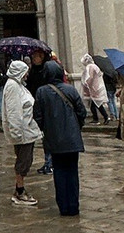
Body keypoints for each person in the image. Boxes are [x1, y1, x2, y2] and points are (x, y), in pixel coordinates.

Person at [32, 60, 86, 216]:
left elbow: (38, 116)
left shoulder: (41, 92)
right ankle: (73, 206)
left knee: (59, 172)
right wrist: (75, 127)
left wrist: (47, 129)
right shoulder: (71, 89)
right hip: (72, 139)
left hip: (54, 139)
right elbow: (81, 112)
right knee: (72, 171)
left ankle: (63, 206)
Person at [1, 60, 42, 206]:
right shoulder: (13, 86)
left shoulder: (18, 85)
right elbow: (13, 112)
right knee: (23, 162)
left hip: (26, 130)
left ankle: (19, 189)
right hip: (23, 132)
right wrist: (17, 133)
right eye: (25, 71)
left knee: (25, 160)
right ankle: (19, 191)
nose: (27, 74)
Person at [26, 50, 52, 175]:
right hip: (36, 107)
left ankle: (49, 163)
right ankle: (48, 162)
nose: (33, 58)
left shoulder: (46, 72)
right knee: (44, 137)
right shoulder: (33, 71)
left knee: (48, 137)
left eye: (35, 56)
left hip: (46, 108)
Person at [80, 54, 111, 124]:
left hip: (94, 88)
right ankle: (101, 118)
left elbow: (90, 77)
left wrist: (86, 84)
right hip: (98, 87)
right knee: (97, 104)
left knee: (96, 105)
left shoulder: (90, 67)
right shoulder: (95, 66)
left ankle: (102, 118)